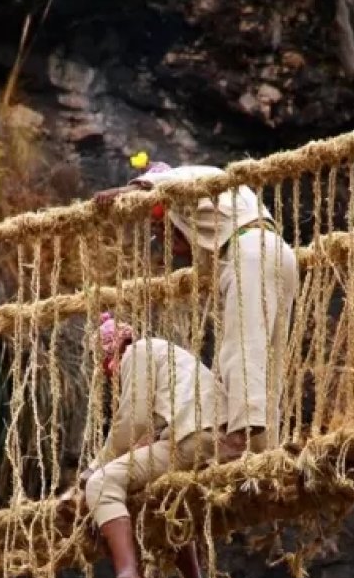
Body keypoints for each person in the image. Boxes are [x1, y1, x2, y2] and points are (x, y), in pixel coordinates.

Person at [94, 156, 300, 459]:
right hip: (279, 255)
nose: (160, 231)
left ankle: (241, 435)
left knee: (242, 348)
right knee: (269, 357)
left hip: (250, 253)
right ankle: (263, 449)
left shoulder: (192, 176)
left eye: (157, 223)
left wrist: (124, 192)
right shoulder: (216, 206)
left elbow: (155, 185)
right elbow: (186, 244)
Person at [80, 312, 220, 578]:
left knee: (103, 484)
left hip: (194, 438)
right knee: (161, 503)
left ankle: (129, 576)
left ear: (111, 354)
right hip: (213, 438)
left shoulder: (136, 354)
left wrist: (94, 468)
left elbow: (133, 422)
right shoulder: (165, 355)